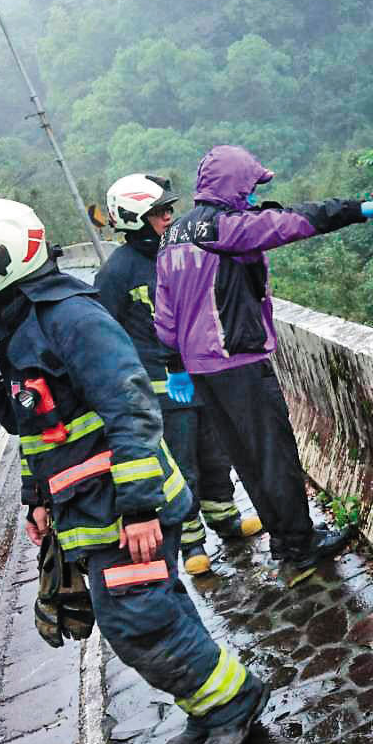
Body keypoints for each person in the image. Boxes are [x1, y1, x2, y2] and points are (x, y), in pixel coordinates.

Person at [0, 197, 266, 744]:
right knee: (159, 607)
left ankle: (233, 701)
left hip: (126, 505)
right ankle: (209, 708)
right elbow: (40, 431)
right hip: (91, 509)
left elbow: (131, 408)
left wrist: (137, 507)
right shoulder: (22, 334)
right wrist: (37, 497)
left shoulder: (71, 318)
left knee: (136, 619)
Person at [154, 145, 373, 584]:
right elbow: (296, 221)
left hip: (202, 372)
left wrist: (176, 362)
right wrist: (359, 209)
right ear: (234, 185)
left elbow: (164, 315)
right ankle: (300, 548)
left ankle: (285, 539)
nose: (253, 197)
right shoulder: (227, 228)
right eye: (250, 188)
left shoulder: (172, 235)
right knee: (275, 454)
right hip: (238, 362)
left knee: (247, 460)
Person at [94, 173, 261, 576]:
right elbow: (107, 337)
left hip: (202, 376)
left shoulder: (181, 251)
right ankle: (192, 544)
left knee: (216, 454)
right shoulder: (116, 275)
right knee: (181, 467)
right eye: (159, 213)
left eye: (170, 210)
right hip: (161, 392)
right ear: (135, 220)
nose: (169, 217)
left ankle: (226, 519)